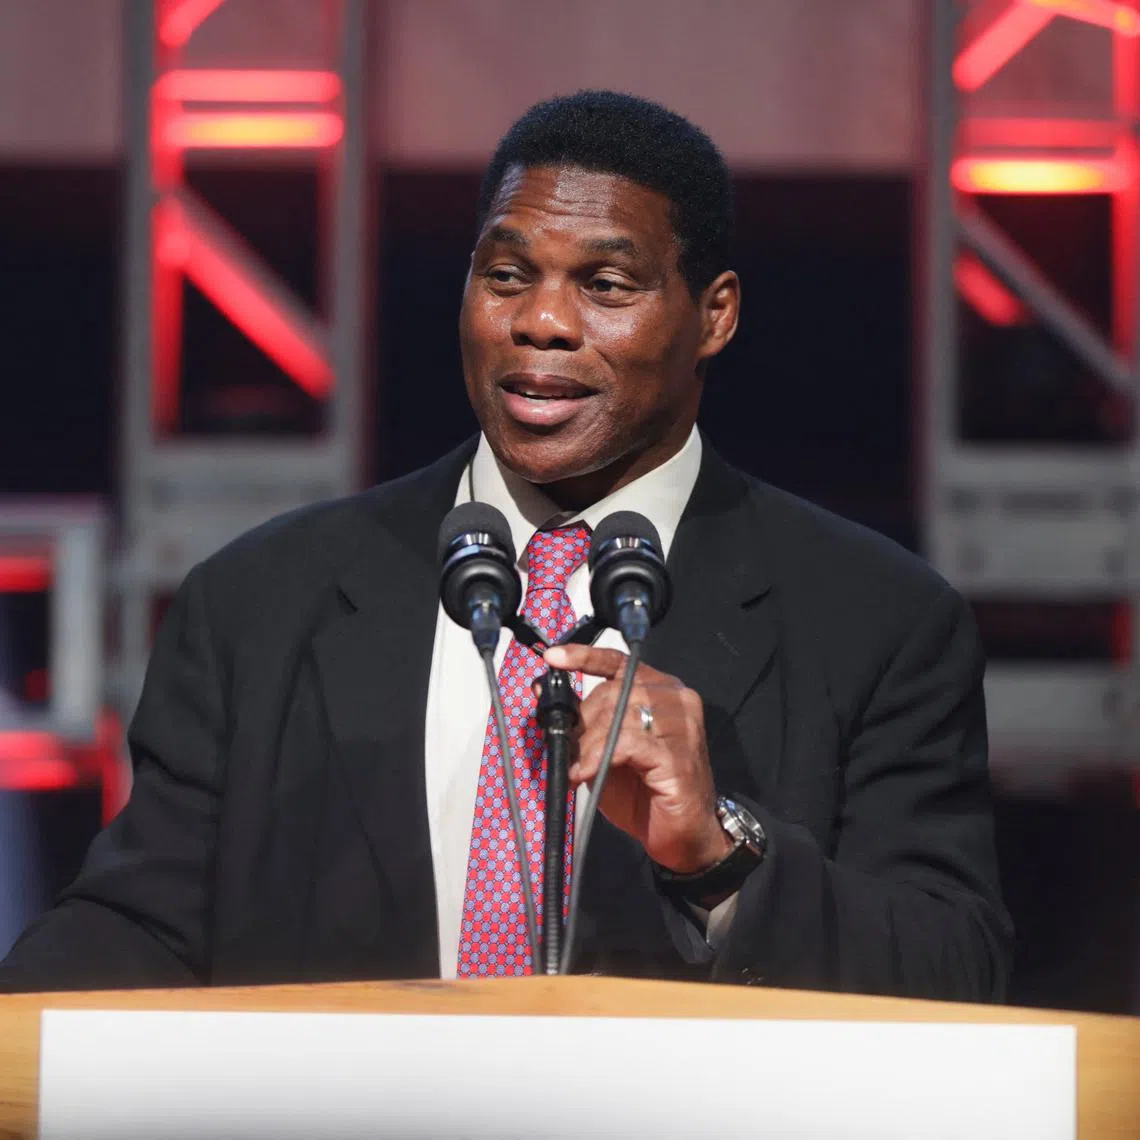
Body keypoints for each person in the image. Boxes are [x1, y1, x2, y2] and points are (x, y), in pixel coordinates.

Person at [0, 91, 1011, 996]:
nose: (541, 322)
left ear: (714, 315)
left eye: (606, 285)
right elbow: (137, 934)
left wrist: (718, 856)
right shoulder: (259, 602)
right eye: (507, 274)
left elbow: (951, 968)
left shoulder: (876, 621)